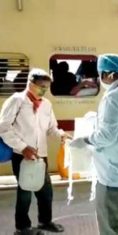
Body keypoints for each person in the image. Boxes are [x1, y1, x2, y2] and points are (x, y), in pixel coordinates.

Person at [70, 54, 118, 235]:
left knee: (112, 224)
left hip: (115, 174)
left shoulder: (113, 97)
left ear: (108, 74)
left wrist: (86, 139)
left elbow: (106, 136)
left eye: (100, 74)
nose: (100, 78)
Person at [0, 68, 71, 235]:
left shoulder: (47, 105)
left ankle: (45, 222)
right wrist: (23, 147)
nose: (44, 90)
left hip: (41, 156)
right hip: (22, 155)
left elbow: (51, 128)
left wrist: (61, 135)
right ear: (30, 83)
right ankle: (22, 228)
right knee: (25, 191)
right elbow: (3, 127)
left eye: (46, 87)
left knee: (45, 191)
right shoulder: (16, 101)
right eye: (41, 86)